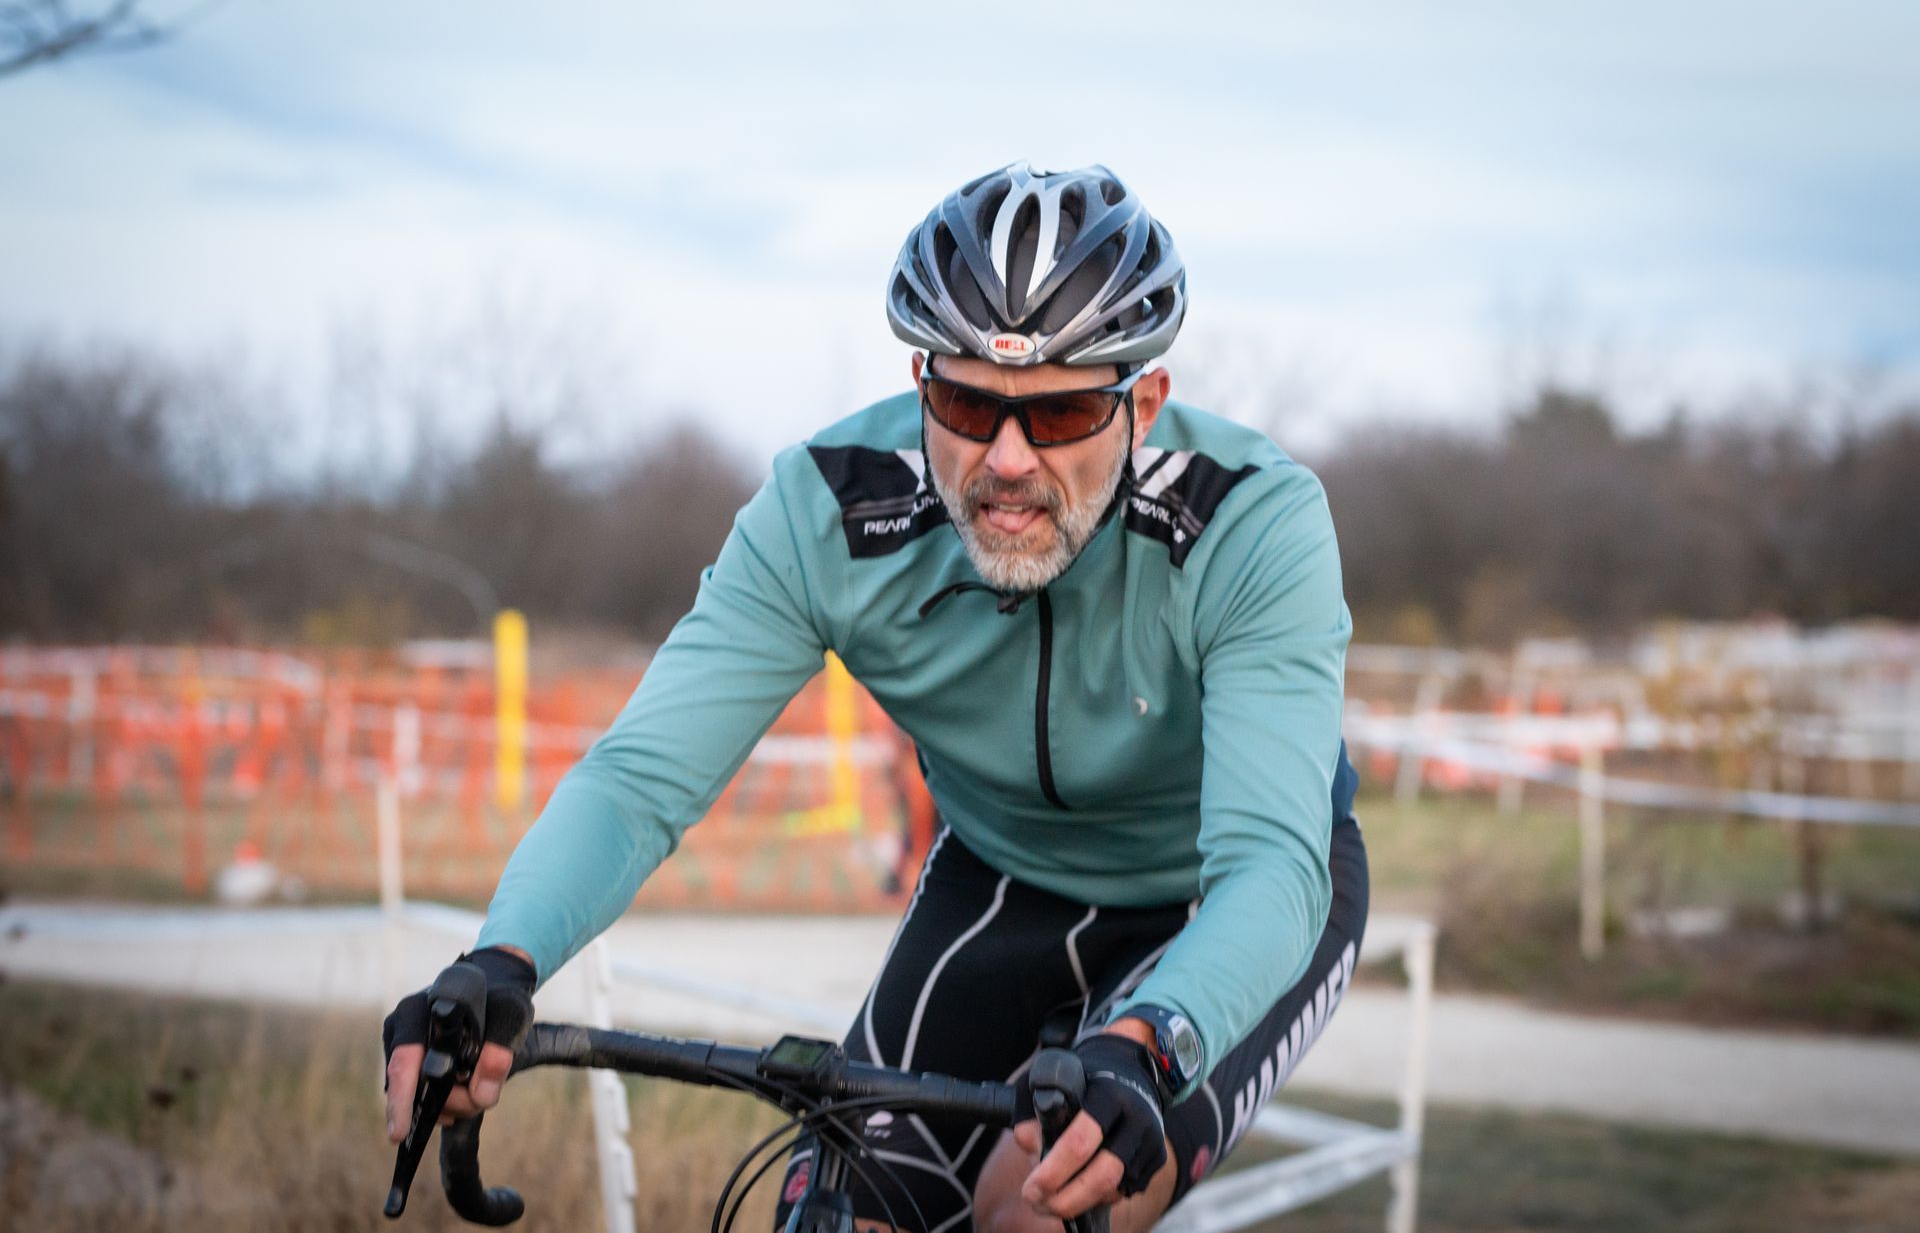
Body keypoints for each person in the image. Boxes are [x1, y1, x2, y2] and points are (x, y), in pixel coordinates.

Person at [384, 161, 1368, 1232]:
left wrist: (1150, 1040)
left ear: (1146, 402)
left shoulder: (1253, 525)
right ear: (918, 380)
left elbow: (1268, 866)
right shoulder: (829, 510)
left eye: (1066, 410)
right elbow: (638, 783)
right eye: (963, 402)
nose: (1005, 460)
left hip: (1222, 909)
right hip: (1001, 880)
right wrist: (503, 957)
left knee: (1036, 1208)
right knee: (835, 1213)